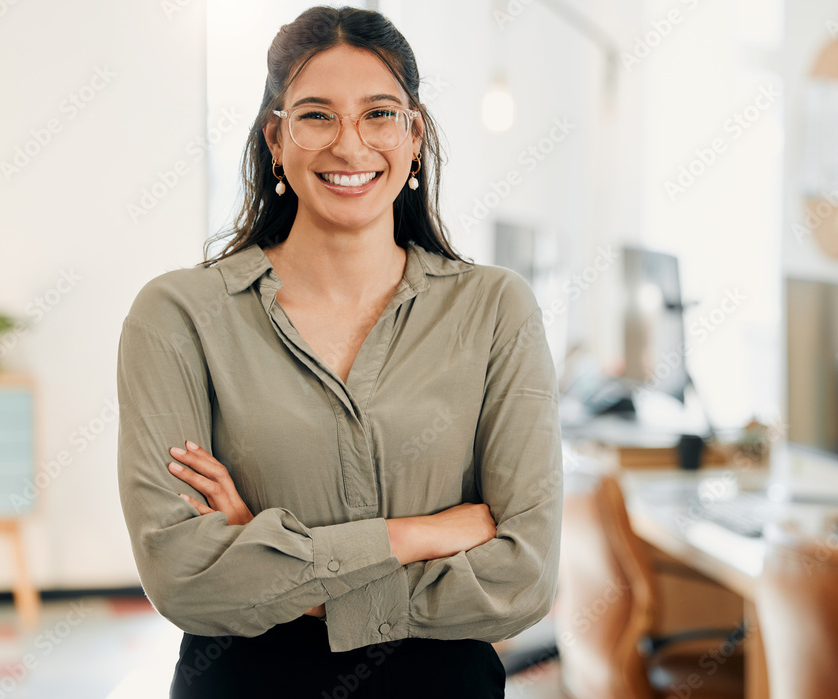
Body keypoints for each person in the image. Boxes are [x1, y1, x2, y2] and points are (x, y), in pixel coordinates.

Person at [116, 6, 563, 698]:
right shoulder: (180, 316)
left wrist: (282, 562)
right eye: (317, 115)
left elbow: (524, 578)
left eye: (379, 114)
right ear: (276, 136)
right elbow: (185, 578)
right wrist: (419, 533)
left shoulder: (496, 308)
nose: (351, 146)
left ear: (413, 135)